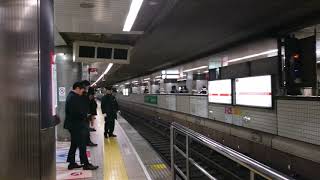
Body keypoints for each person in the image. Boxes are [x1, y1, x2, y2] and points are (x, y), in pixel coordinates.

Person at [64, 82, 98, 170]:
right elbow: (75, 113)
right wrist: (85, 116)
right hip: (76, 125)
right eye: (82, 89)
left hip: (75, 124)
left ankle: (71, 163)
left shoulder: (73, 96)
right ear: (77, 88)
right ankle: (86, 164)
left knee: (74, 144)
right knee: (82, 145)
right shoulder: (72, 97)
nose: (83, 91)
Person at [80, 80, 97, 147]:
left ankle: (87, 141)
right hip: (83, 116)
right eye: (87, 86)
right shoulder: (83, 95)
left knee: (86, 129)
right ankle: (87, 142)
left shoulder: (85, 95)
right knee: (85, 130)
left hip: (85, 115)